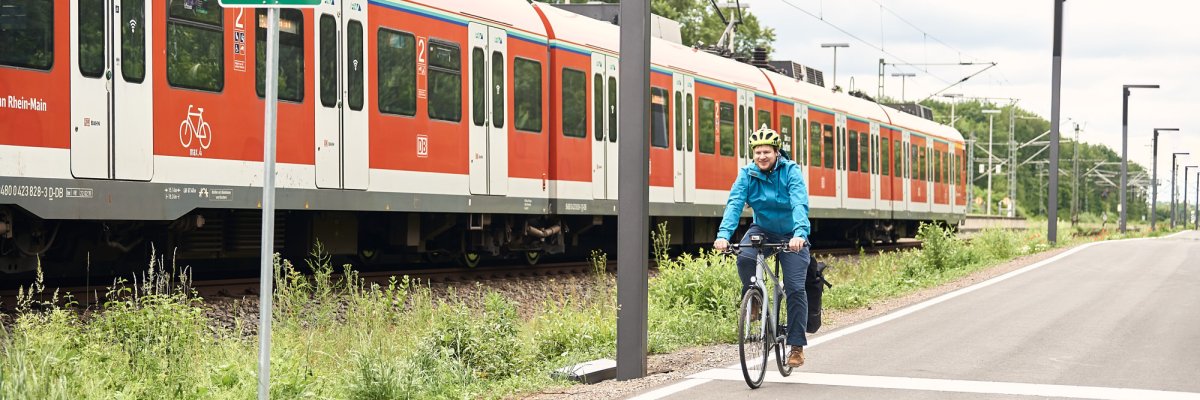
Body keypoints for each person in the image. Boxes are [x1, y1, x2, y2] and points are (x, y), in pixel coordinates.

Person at [713, 124, 812, 368]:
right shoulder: (747, 174)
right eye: (757, 152)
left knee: (796, 288)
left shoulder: (791, 171)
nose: (762, 157)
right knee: (745, 257)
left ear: (777, 152)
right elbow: (735, 204)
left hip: (792, 234)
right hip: (763, 230)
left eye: (766, 152)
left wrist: (800, 234)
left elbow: (800, 203)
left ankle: (796, 345)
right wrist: (723, 235)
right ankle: (754, 296)